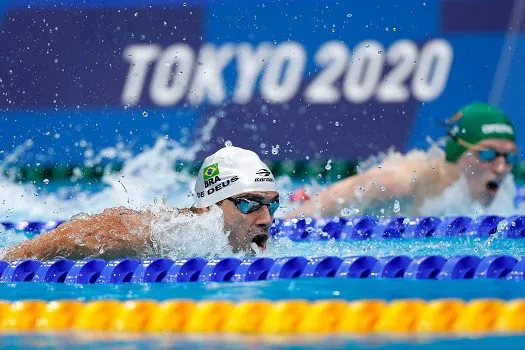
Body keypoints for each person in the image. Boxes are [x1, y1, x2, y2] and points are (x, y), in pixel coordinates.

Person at [2, 146, 280, 261]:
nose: (266, 218)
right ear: (211, 206)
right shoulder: (179, 231)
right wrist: (8, 260)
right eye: (250, 204)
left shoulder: (252, 245)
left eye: (271, 204)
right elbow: (82, 233)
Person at [288, 102, 518, 217]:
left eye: (508, 156)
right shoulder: (399, 182)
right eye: (487, 154)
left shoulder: (502, 188)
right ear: (459, 152)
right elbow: (312, 210)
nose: (501, 167)